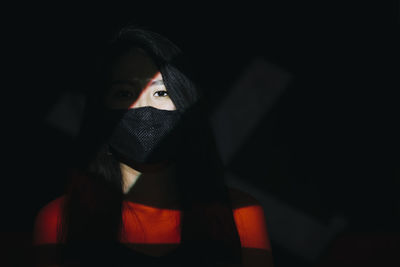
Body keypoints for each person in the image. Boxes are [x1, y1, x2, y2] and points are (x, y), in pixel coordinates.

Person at [32, 25, 274, 267]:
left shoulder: (240, 215)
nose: (144, 108)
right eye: (124, 93)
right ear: (101, 109)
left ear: (185, 102)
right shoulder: (60, 219)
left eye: (161, 93)